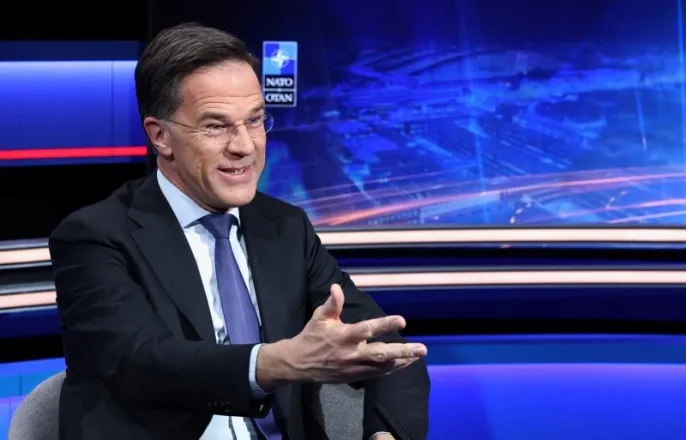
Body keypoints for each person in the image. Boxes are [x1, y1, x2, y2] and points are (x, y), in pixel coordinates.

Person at [49, 23, 430, 440]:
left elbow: (385, 344)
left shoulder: (285, 227)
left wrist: (383, 436)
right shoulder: (94, 236)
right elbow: (142, 364)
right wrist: (281, 361)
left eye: (255, 120)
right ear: (161, 136)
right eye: (216, 126)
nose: (245, 146)